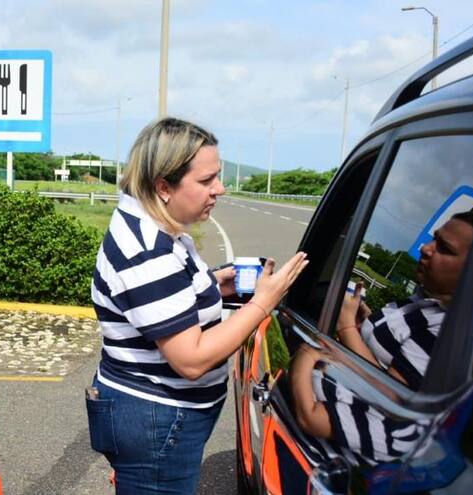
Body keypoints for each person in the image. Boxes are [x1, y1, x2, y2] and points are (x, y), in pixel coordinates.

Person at [86, 117, 309, 494]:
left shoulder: (160, 228)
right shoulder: (148, 251)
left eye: (217, 176)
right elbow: (191, 360)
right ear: (163, 186)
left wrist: (213, 284)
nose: (219, 189)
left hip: (156, 416)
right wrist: (262, 303)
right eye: (206, 181)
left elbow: (167, 301)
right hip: (156, 418)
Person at [291, 209, 473, 463]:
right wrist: (364, 322)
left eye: (444, 248)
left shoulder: (445, 332)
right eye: (434, 238)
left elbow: (393, 396)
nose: (426, 248)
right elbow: (384, 359)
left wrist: (345, 329)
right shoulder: (421, 301)